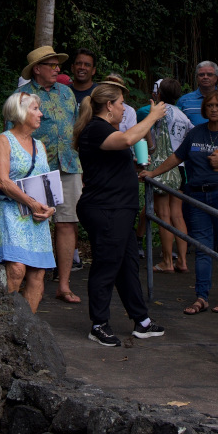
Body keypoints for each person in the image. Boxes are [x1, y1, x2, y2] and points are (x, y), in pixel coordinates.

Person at [73, 82, 169, 346]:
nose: (124, 108)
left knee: (127, 265)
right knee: (106, 266)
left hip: (119, 210)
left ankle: (142, 321)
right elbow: (128, 139)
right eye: (121, 103)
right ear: (109, 106)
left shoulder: (105, 129)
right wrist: (152, 116)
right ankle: (98, 324)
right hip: (106, 210)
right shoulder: (95, 129)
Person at [145, 90, 218, 315]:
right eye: (210, 105)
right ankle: (201, 297)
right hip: (198, 197)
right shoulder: (196, 133)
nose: (213, 109)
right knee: (202, 248)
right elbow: (177, 157)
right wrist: (153, 173)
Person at [18, 46, 83, 304]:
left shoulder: (67, 93)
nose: (58, 69)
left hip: (70, 164)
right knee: (36, 221)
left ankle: (63, 284)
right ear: (37, 69)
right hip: (38, 167)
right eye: (52, 65)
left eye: (58, 65)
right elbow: (12, 133)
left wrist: (83, 166)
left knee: (67, 223)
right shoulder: (22, 96)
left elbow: (77, 129)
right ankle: (34, 281)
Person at [0, 93, 57, 313]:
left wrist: (50, 210)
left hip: (36, 218)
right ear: (21, 112)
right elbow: (1, 180)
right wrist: (31, 202)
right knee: (17, 269)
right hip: (10, 213)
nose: (41, 114)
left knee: (38, 273)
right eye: (36, 109)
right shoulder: (3, 140)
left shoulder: (40, 146)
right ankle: (5, 322)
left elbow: (48, 186)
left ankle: (28, 328)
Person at [143, 78, 193, 272]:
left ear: (159, 93)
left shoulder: (159, 112)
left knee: (163, 215)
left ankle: (167, 261)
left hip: (163, 166)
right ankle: (182, 260)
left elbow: (151, 142)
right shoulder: (183, 115)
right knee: (177, 215)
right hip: (180, 167)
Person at [176, 61, 218, 126]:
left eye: (209, 74)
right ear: (197, 78)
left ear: (216, 78)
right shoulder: (184, 100)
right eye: (201, 75)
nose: (205, 77)